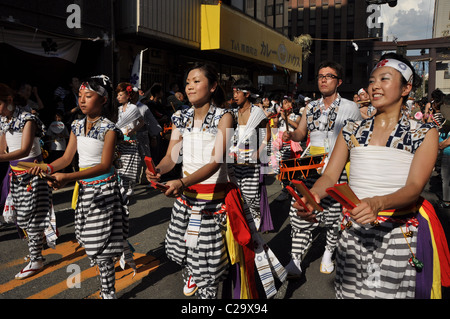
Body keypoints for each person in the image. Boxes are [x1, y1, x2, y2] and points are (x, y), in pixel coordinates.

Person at [295, 53, 450, 299]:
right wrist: (312, 196)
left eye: (384, 79)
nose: (374, 86)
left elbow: (414, 187)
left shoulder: (423, 132)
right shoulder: (352, 129)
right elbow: (330, 176)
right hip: (352, 232)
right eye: (372, 80)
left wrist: (378, 203)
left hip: (397, 233)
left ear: (406, 88)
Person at [30, 75, 135, 299]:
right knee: (89, 240)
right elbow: (67, 158)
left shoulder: (110, 129)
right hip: (85, 191)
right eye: (80, 96)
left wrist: (68, 177)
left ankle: (108, 292)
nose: (82, 100)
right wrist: (46, 169)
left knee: (102, 247)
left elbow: (105, 165)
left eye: (88, 96)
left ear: (104, 100)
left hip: (104, 191)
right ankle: (118, 253)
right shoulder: (77, 124)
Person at [146, 63, 233, 299]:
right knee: (180, 249)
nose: (190, 86)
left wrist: (182, 183)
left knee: (209, 267)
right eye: (188, 82)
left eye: (196, 81)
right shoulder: (180, 116)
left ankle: (203, 283)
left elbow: (217, 162)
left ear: (213, 86)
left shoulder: (225, 116)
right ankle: (194, 271)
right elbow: (171, 157)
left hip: (212, 201)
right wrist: (158, 171)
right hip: (186, 199)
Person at [282, 60, 362, 277]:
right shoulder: (310, 107)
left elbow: (359, 138)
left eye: (329, 76)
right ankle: (296, 259)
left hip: (338, 167)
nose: (324, 79)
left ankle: (328, 252)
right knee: (301, 209)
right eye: (320, 76)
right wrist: (292, 135)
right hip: (311, 165)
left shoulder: (351, 107)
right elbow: (301, 133)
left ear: (339, 82)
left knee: (334, 214)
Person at [0, 83, 56, 279]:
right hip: (15, 174)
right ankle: (35, 254)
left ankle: (36, 259)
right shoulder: (3, 120)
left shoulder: (27, 118)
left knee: (33, 217)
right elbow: (2, 148)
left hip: (33, 172)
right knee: (23, 217)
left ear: (8, 101)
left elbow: (24, 150)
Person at [228, 78, 271, 231]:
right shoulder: (232, 112)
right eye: (234, 91)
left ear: (247, 94)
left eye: (238, 91)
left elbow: (267, 133)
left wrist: (260, 151)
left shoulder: (257, 112)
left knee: (251, 194)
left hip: (251, 160)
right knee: (237, 192)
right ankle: (245, 221)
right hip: (234, 160)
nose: (235, 95)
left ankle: (256, 218)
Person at [115, 82, 145, 197]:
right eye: (117, 95)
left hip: (130, 140)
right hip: (120, 141)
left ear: (128, 96)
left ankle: (129, 188)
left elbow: (141, 122)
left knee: (130, 166)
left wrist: (133, 131)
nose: (118, 97)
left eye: (120, 95)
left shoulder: (133, 108)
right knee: (120, 166)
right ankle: (122, 188)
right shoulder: (118, 109)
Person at [272, 96, 302, 201]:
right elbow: (274, 132)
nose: (288, 105)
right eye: (285, 103)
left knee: (293, 169)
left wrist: (286, 118)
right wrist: (275, 123)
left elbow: (298, 126)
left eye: (289, 103)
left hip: (291, 146)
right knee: (282, 170)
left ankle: (295, 190)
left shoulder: (296, 116)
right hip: (281, 146)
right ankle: (285, 190)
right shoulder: (279, 118)